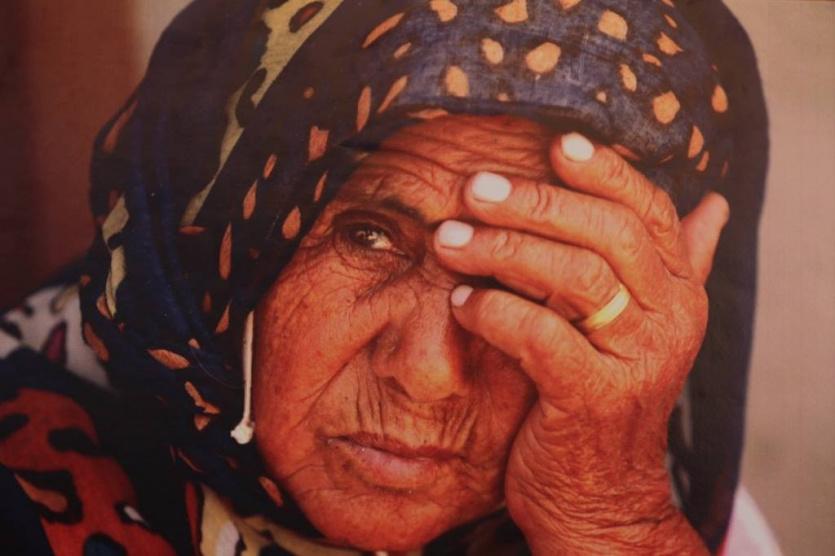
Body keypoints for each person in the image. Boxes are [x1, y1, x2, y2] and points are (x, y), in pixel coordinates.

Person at [0, 0, 768, 554]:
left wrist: (608, 525)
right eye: (366, 235)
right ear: (214, 231)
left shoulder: (656, 502)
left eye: (526, 274)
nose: (427, 374)